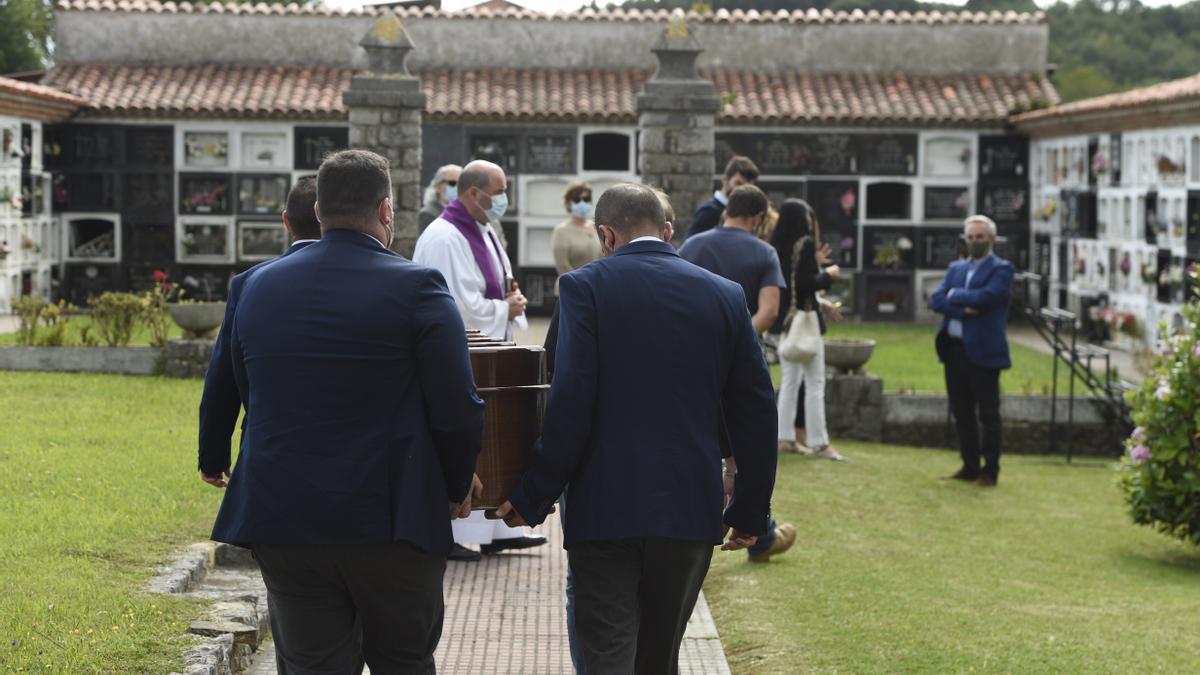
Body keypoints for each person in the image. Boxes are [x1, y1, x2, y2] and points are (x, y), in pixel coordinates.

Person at [202, 149, 486, 671]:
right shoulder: (418, 286)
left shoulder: (253, 286)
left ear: (318, 213)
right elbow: (456, 405)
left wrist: (212, 453)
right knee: (403, 658)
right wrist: (454, 480)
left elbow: (236, 383)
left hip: (284, 510)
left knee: (310, 663)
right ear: (385, 211)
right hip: (391, 513)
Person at [494, 182, 778, 674]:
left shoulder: (584, 288)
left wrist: (532, 495)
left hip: (606, 504)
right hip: (688, 505)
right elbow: (753, 407)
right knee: (658, 658)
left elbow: (568, 401)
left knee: (607, 654)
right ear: (668, 231)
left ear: (606, 235)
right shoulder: (725, 295)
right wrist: (751, 510)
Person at [413, 159, 544, 560]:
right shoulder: (444, 237)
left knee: (493, 440)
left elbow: (497, 284)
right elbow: (455, 305)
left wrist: (511, 302)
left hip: (488, 353)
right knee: (463, 439)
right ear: (474, 193)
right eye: (500, 191)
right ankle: (450, 529)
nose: (504, 200)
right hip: (460, 355)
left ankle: (493, 532)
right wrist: (503, 307)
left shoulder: (482, 228)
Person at [679, 184, 796, 563]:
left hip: (692, 359)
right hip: (740, 362)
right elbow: (770, 309)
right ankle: (756, 531)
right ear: (759, 218)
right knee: (745, 444)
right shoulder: (764, 251)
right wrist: (738, 342)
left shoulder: (693, 245)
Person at [198, 176, 320, 478]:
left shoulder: (248, 284)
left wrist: (213, 456)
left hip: (267, 448)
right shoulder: (378, 279)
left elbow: (222, 376)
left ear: (286, 222)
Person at [930, 214, 1014, 487]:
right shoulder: (955, 268)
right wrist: (964, 306)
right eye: (971, 237)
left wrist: (955, 296)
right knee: (962, 412)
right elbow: (936, 299)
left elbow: (988, 298)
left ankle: (990, 470)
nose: (975, 241)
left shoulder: (1002, 269)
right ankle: (969, 464)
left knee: (988, 414)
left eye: (980, 237)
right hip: (955, 350)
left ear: (991, 239)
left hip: (984, 352)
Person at [774, 199, 846, 462]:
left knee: (789, 383)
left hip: (787, 322)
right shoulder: (804, 244)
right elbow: (806, 284)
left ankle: (784, 437)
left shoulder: (778, 245)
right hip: (806, 322)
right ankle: (820, 442)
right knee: (815, 382)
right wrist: (829, 275)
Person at [686, 155, 759, 239]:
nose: (743, 190)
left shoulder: (748, 214)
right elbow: (690, 245)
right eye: (738, 183)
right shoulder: (709, 211)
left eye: (748, 187)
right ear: (725, 180)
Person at [551, 180, 602, 290]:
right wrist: (583, 284)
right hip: (571, 290)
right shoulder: (561, 231)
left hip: (597, 289)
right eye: (577, 200)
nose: (582, 203)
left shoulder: (598, 228)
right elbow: (562, 265)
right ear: (568, 202)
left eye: (586, 199)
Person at [418, 163, 461, 233]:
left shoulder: (463, 213)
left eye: (460, 184)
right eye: (452, 183)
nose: (456, 188)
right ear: (438, 186)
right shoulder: (427, 213)